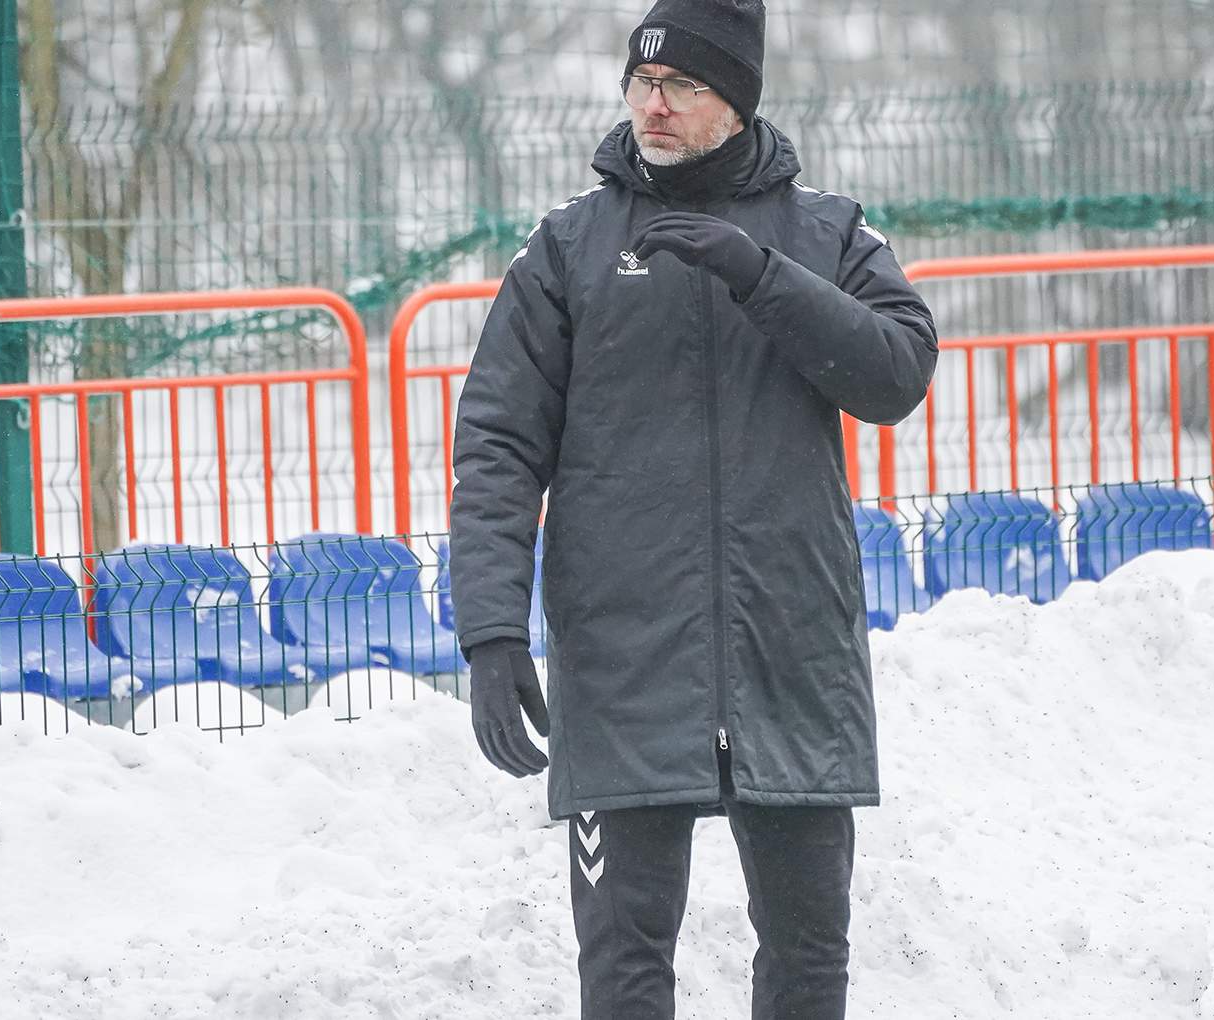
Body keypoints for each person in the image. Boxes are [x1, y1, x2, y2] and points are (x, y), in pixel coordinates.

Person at [449, 0, 938, 1015]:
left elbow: (897, 373)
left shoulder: (827, 231)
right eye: (642, 82)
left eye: (682, 85)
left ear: (738, 101)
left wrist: (761, 275)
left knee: (809, 957)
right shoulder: (568, 246)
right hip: (623, 663)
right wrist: (490, 633)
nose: (654, 104)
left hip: (791, 654)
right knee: (624, 968)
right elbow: (496, 444)